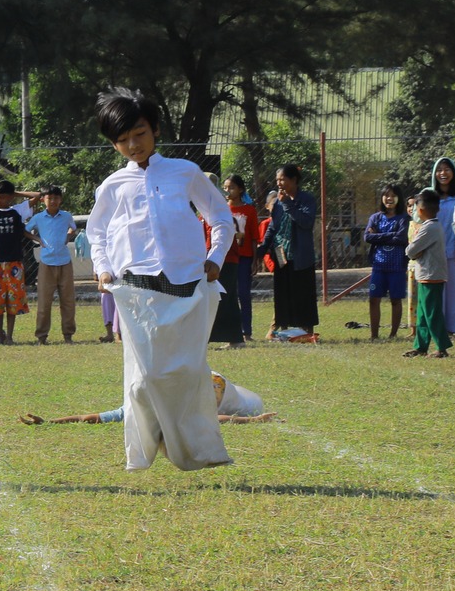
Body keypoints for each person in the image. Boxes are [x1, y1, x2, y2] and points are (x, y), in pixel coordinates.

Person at [86, 88, 232, 472]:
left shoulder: (185, 172)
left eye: (140, 134)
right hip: (136, 292)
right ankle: (146, 449)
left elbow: (220, 217)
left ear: (155, 130)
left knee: (186, 370)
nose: (133, 145)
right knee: (143, 377)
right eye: (122, 140)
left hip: (187, 286)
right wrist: (102, 268)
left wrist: (215, 258)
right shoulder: (113, 185)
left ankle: (197, 450)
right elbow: (95, 233)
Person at [28, 372, 274, 425]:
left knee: (252, 406)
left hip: (236, 397)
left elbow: (215, 418)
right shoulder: (136, 405)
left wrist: (254, 421)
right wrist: (50, 422)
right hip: (218, 385)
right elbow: (88, 418)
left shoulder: (171, 402)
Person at [258, 164, 320, 341]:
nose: (279, 183)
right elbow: (273, 227)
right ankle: (283, 330)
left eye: (282, 179)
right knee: (282, 294)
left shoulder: (306, 199)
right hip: (280, 254)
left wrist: (288, 205)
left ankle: (306, 328)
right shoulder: (277, 202)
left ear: (294, 180)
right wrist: (263, 248)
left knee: (303, 293)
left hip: (300, 256)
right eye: (277, 180)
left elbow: (306, 222)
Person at [25, 186, 78, 344]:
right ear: (43, 200)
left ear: (60, 199)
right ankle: (42, 336)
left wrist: (68, 236)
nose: (53, 201)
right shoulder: (39, 218)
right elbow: (25, 230)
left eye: (56, 198)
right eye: (50, 198)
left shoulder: (66, 216)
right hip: (46, 263)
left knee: (68, 301)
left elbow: (73, 228)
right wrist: (38, 240)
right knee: (44, 302)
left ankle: (68, 334)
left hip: (64, 262)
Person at [0, 181, 30, 344]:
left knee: (13, 302)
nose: (1, 199)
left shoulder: (17, 211)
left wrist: (15, 195)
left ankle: (9, 335)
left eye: (5, 196)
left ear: (11, 197)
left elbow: (37, 196)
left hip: (14, 264)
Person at [407, 188, 452, 358]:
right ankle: (420, 346)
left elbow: (411, 250)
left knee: (432, 312)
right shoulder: (434, 226)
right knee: (423, 314)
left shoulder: (428, 228)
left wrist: (414, 249)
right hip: (426, 276)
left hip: (431, 276)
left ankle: (442, 347)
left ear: (421, 209)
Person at [219, 175, 263, 340]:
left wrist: (254, 261)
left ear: (241, 189)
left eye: (231, 187)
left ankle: (246, 331)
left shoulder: (249, 210)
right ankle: (229, 331)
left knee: (243, 293)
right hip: (226, 258)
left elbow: (253, 238)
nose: (228, 191)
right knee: (226, 295)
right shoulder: (221, 209)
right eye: (225, 187)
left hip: (243, 258)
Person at [365, 185, 410, 340]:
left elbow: (401, 238)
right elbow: (367, 237)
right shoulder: (375, 218)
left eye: (393, 195)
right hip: (378, 266)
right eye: (386, 195)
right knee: (373, 299)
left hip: (397, 267)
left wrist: (379, 235)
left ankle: (393, 334)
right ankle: (374, 335)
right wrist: (390, 235)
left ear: (399, 198)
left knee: (396, 300)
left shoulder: (404, 218)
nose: (389, 199)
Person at [428, 157, 455, 334]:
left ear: (454, 172)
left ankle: (454, 328)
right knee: (436, 290)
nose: (443, 173)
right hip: (433, 252)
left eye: (447, 169)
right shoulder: (428, 194)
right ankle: (436, 326)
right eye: (439, 170)